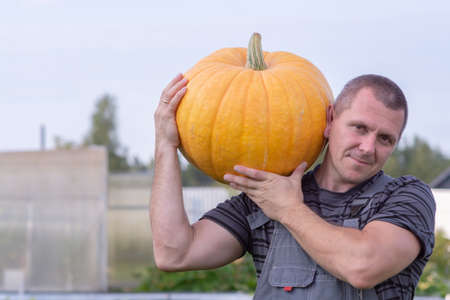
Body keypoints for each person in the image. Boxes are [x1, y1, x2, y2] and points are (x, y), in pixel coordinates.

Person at [151, 73, 435, 299]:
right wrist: (166, 145)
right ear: (330, 120)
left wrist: (288, 210)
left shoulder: (406, 197)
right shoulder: (267, 196)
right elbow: (174, 253)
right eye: (359, 128)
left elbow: (362, 266)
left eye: (385, 139)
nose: (368, 147)